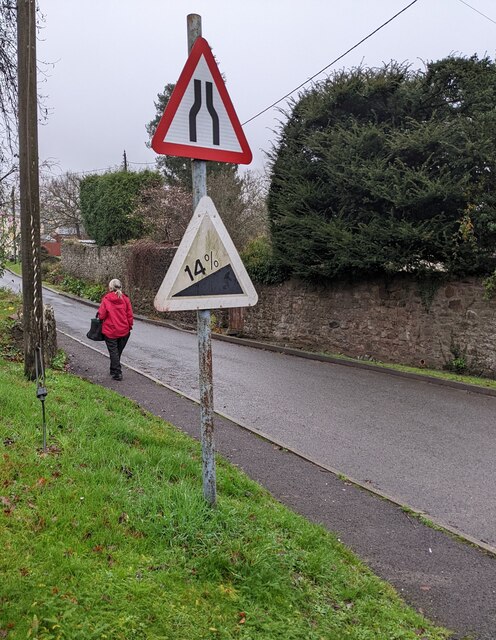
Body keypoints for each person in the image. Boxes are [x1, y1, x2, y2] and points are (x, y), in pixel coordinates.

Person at [98, 279, 133, 381]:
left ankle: (117, 373)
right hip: (124, 330)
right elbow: (129, 315)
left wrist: (100, 318)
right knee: (117, 352)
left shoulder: (107, 299)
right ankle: (113, 369)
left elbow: (102, 314)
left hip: (110, 330)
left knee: (113, 352)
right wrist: (129, 326)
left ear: (110, 288)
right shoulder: (125, 299)